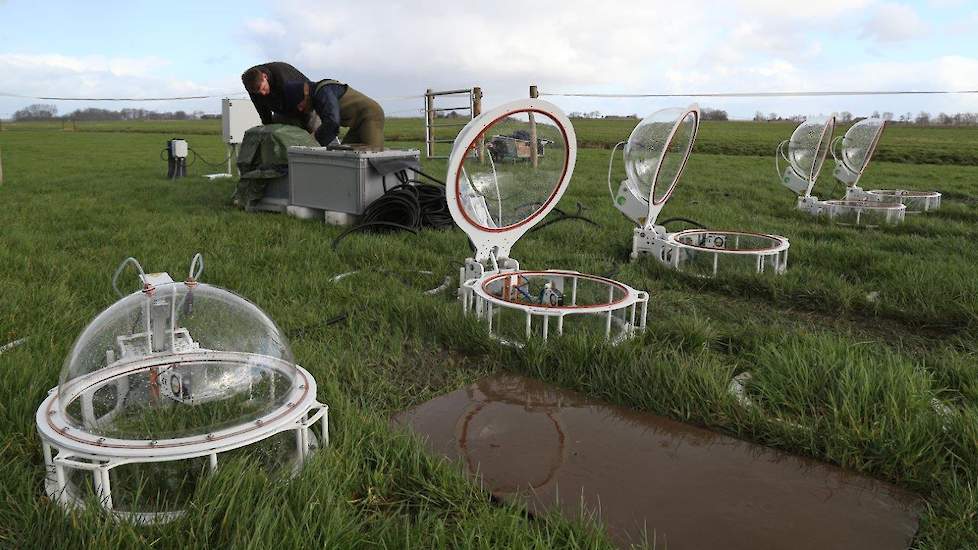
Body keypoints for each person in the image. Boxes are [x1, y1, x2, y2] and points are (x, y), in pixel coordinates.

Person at [281, 78, 385, 149]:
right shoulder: (318, 96)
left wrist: (313, 143)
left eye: (300, 105)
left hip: (371, 116)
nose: (300, 109)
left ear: (305, 94)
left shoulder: (323, 92)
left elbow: (332, 123)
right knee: (344, 156)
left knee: (372, 157)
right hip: (357, 124)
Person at [240, 61, 315, 131]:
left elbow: (303, 102)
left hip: (308, 104)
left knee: (314, 134)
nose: (263, 93)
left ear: (265, 76)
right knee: (275, 132)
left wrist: (308, 128)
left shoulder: (283, 81)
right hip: (284, 111)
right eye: (259, 93)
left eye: (263, 88)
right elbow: (262, 111)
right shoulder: (252, 86)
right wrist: (268, 129)